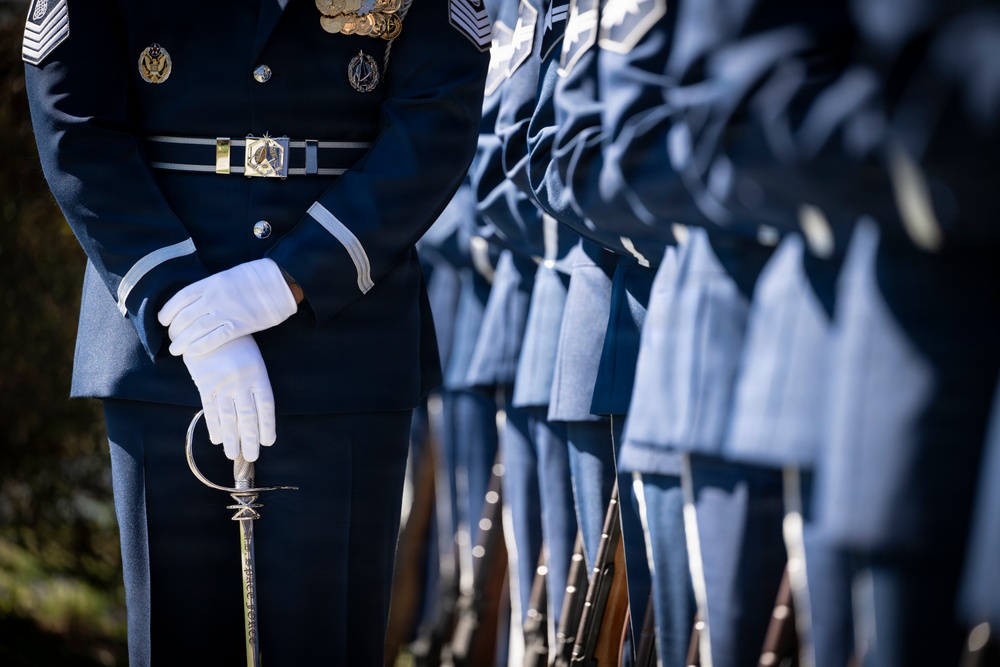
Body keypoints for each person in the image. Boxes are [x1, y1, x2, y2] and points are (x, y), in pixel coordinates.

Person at [23, 0, 492, 664]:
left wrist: (289, 279)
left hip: (343, 333)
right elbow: (72, 113)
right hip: (162, 340)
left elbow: (436, 110)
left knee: (324, 642)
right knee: (177, 640)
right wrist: (179, 302)